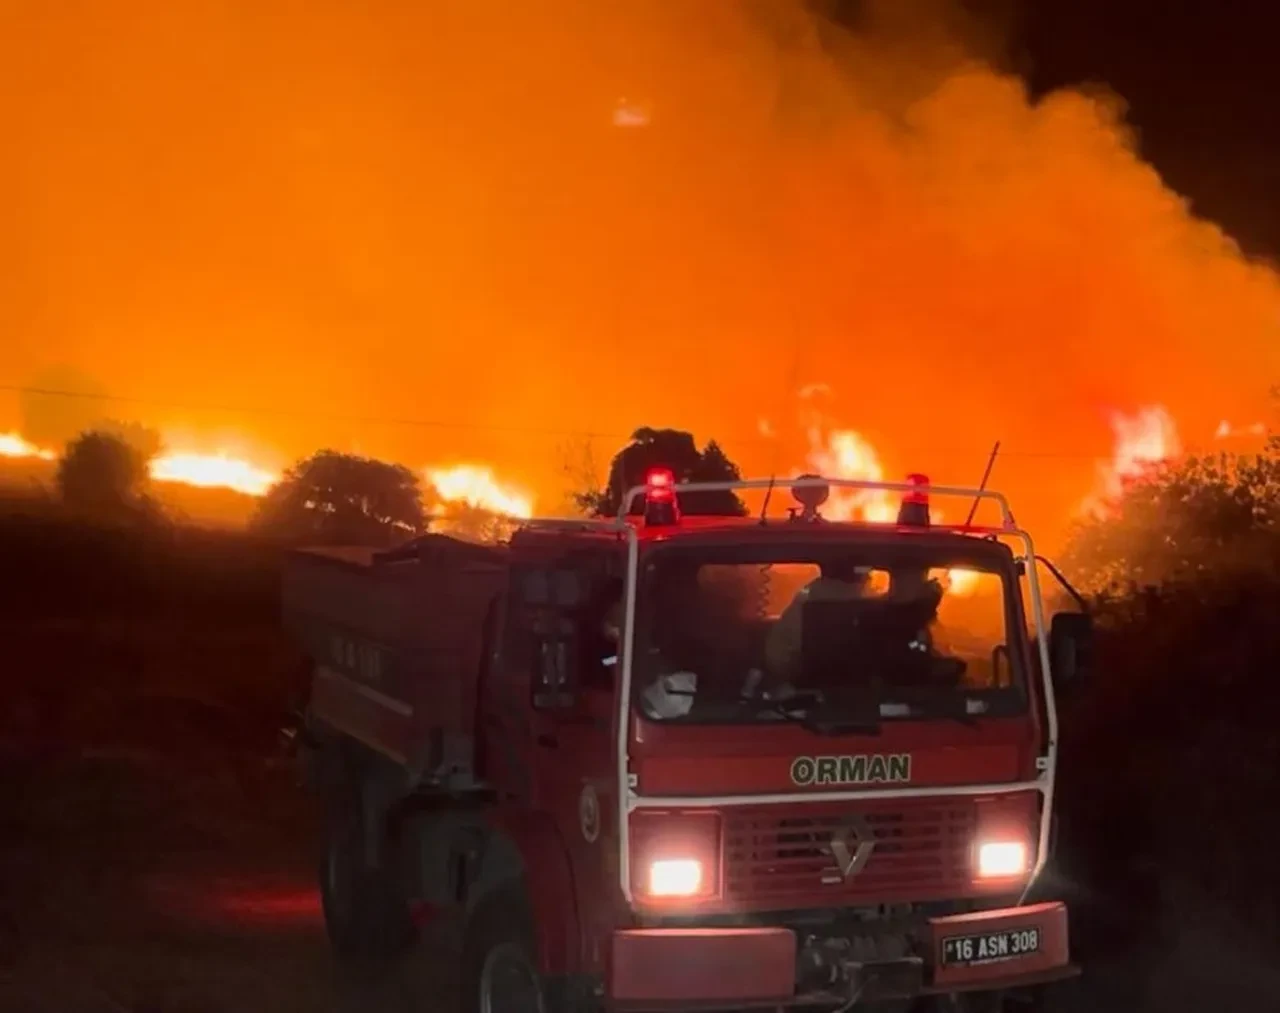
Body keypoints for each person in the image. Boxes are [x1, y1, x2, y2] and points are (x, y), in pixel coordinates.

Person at [764, 558, 870, 682]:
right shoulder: (865, 606)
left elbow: (776, 657)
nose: (869, 577)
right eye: (865, 573)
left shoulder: (804, 600)